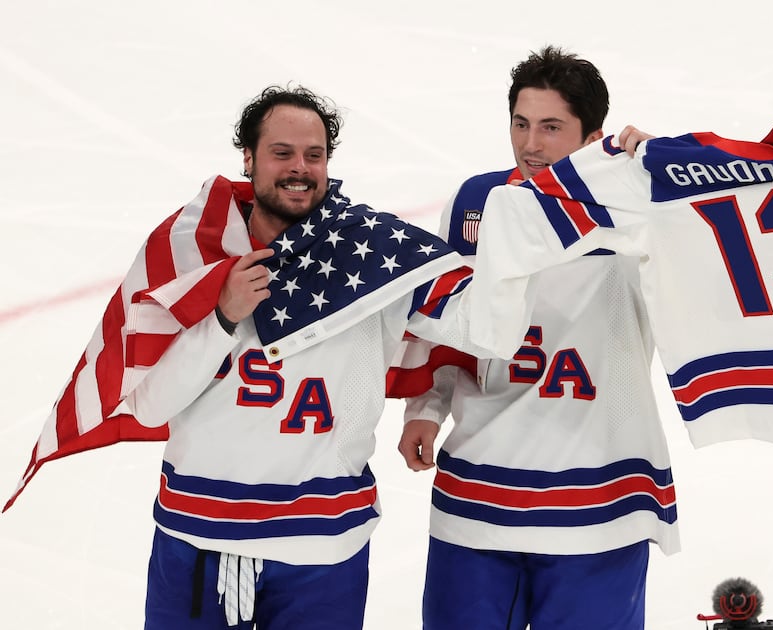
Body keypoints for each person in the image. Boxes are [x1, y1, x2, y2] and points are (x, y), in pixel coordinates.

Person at [8, 85, 530, 630]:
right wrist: (223, 318)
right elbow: (151, 406)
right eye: (282, 153)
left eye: (314, 155)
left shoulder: (375, 254)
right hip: (199, 537)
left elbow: (491, 331)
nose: (299, 169)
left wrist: (535, 225)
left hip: (322, 548)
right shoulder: (189, 249)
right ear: (249, 159)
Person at [396, 45, 671, 630]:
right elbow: (451, 320)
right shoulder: (478, 202)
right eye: (521, 124)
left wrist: (656, 180)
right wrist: (427, 406)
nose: (530, 145)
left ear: (592, 137)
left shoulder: (640, 208)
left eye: (551, 128)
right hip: (477, 493)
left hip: (600, 500)